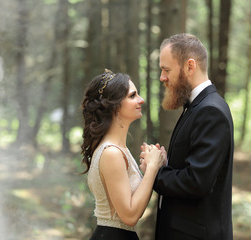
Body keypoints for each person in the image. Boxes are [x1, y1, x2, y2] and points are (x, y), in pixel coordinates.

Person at [140, 33, 234, 239]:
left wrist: (154, 172)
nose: (161, 77)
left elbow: (196, 181)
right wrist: (167, 164)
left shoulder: (211, 111)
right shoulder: (196, 106)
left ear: (190, 67)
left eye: (166, 70)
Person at [81, 69, 165, 240]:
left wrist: (152, 167)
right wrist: (152, 169)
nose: (141, 100)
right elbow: (130, 216)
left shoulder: (119, 150)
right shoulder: (111, 153)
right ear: (115, 105)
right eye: (132, 96)